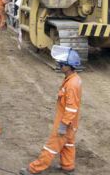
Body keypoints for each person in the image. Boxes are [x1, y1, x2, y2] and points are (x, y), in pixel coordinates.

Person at [20, 45, 82, 175]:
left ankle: (34, 169)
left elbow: (71, 108)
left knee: (51, 146)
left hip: (66, 122)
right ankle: (68, 166)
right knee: (68, 143)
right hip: (72, 123)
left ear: (68, 66)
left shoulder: (71, 84)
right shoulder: (74, 79)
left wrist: (63, 125)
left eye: (62, 63)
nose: (59, 65)